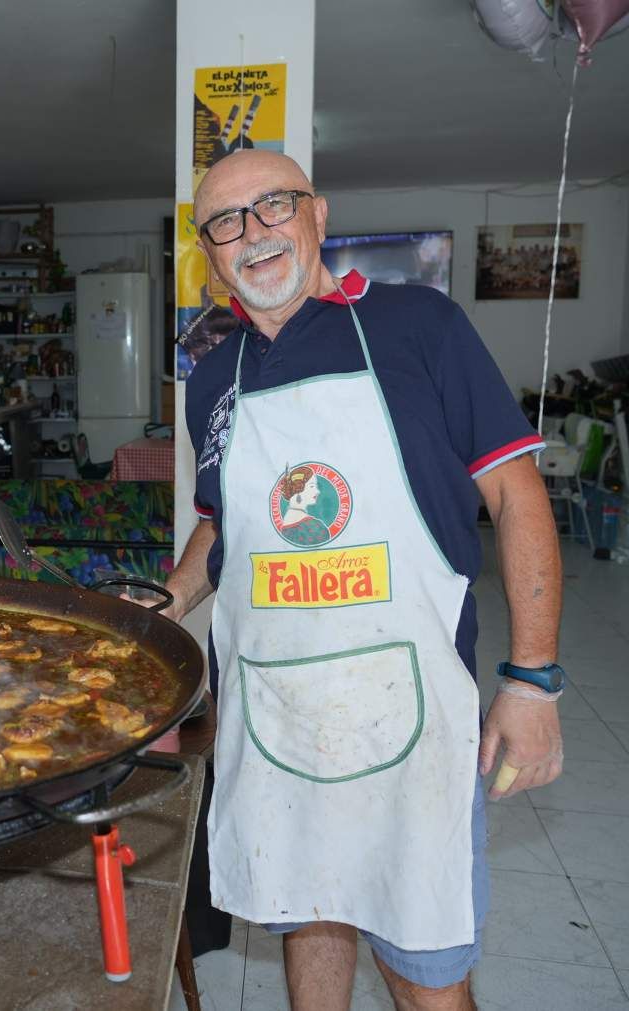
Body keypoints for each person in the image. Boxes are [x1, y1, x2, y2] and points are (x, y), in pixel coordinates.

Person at [161, 150, 565, 1011]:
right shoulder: (211, 379)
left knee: (426, 968)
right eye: (226, 222)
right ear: (209, 253)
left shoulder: (421, 325)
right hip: (275, 717)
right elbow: (220, 521)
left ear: (317, 214)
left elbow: (516, 495)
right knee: (309, 913)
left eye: (273, 206)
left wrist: (533, 681)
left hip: (409, 715)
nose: (253, 233)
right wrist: (174, 596)